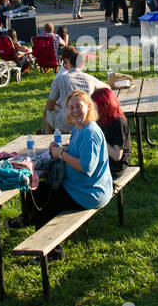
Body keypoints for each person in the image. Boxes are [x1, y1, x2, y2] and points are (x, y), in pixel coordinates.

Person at [23, 90, 112, 229]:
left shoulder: (90, 132)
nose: (75, 111)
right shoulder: (78, 128)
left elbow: (86, 167)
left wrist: (61, 154)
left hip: (88, 193)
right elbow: (76, 153)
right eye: (71, 107)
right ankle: (28, 218)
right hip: (78, 186)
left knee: (42, 208)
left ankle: (47, 246)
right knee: (35, 191)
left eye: (79, 106)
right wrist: (59, 149)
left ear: (88, 106)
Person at [45, 45, 107, 132]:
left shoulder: (59, 79)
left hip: (65, 124)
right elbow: (107, 88)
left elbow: (49, 106)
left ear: (68, 62)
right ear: (82, 64)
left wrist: (59, 109)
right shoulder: (90, 78)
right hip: (86, 121)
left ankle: (48, 136)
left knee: (47, 112)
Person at [91, 86, 131, 178]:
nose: (93, 110)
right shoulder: (100, 119)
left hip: (114, 167)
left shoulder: (118, 122)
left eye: (96, 107)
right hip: (102, 160)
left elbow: (117, 156)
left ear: (105, 106)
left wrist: (99, 139)